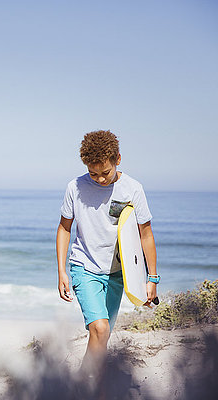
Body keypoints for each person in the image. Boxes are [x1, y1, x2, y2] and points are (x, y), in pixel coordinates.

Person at [56, 130, 159, 376]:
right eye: (93, 173)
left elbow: (145, 234)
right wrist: (61, 271)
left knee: (101, 337)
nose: (100, 179)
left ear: (118, 159)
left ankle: (85, 384)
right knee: (100, 329)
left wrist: (151, 277)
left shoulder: (133, 189)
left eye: (105, 173)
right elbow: (64, 228)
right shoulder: (76, 187)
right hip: (84, 267)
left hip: (117, 274)